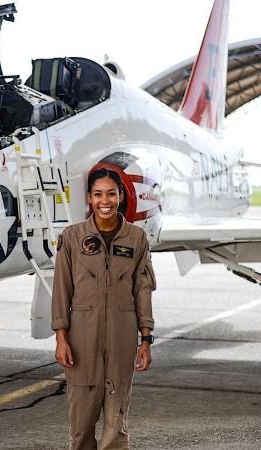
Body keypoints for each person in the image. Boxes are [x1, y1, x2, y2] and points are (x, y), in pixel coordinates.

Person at [52, 166, 156, 450]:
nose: (105, 201)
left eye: (111, 194)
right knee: (81, 426)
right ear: (89, 198)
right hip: (82, 341)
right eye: (98, 194)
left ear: (121, 197)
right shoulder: (72, 238)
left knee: (115, 425)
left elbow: (142, 290)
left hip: (122, 339)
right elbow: (61, 290)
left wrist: (145, 339)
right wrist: (61, 337)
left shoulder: (136, 238)